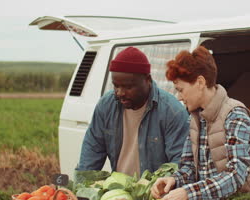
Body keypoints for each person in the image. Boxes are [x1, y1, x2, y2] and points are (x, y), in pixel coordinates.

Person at [151, 46, 250, 200]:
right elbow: (189, 167)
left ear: (200, 83)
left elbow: (235, 175)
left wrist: (188, 193)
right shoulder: (193, 118)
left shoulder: (236, 116)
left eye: (180, 89)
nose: (179, 97)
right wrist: (175, 180)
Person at [76, 47, 189, 177]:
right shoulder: (106, 105)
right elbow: (91, 154)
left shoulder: (172, 111)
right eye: (116, 86)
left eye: (128, 87)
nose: (120, 93)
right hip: (118, 191)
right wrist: (81, 189)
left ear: (148, 80)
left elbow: (179, 165)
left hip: (157, 193)